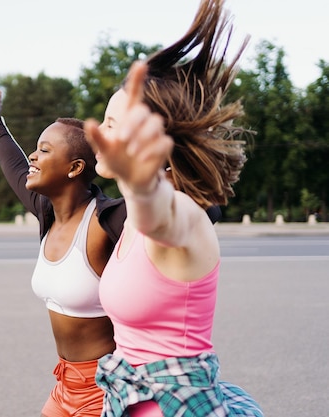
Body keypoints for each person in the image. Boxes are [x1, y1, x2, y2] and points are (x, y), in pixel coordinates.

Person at [83, 0, 263, 416]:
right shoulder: (127, 216)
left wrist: (142, 184)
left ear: (153, 139)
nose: (101, 132)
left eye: (113, 123)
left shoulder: (182, 215)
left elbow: (157, 213)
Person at [0, 86, 128, 417]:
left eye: (44, 151)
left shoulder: (109, 220)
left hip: (107, 389)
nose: (33, 157)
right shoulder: (48, 212)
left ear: (74, 168)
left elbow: (195, 210)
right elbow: (14, 164)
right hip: (65, 384)